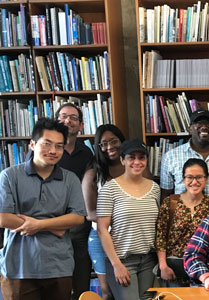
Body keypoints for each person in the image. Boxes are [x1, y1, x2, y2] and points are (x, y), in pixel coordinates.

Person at [0, 118, 86, 300]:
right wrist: (55, 226)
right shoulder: (9, 176)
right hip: (18, 267)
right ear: (32, 144)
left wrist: (38, 225)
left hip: (58, 265)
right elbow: (3, 218)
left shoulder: (70, 179)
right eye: (46, 144)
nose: (53, 151)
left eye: (59, 146)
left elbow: (78, 217)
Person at [96, 139, 160, 300]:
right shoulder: (109, 189)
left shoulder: (155, 188)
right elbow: (102, 229)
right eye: (132, 157)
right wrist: (116, 265)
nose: (137, 162)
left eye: (141, 157)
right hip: (122, 260)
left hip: (148, 259)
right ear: (122, 160)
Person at [156, 159, 209, 287]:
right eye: (189, 177)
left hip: (201, 272)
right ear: (183, 179)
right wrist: (163, 266)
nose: (194, 182)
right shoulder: (170, 203)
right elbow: (160, 237)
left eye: (199, 177)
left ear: (206, 179)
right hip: (173, 270)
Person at [82, 124, 126, 300]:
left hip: (129, 239)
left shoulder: (133, 166)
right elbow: (89, 212)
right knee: (107, 291)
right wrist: (121, 219)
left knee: (127, 288)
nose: (109, 147)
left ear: (122, 141)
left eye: (114, 141)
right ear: (98, 147)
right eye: (103, 144)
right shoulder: (93, 173)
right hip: (101, 239)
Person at [55, 103, 94, 300]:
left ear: (81, 125)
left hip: (79, 225)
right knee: (56, 283)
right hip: (51, 227)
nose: (67, 121)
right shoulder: (46, 151)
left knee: (81, 280)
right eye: (62, 116)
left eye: (73, 118)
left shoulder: (86, 152)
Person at [160, 110, 209, 209]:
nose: (204, 127)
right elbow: (166, 194)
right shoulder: (170, 157)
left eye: (208, 123)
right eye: (198, 123)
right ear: (190, 129)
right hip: (182, 221)